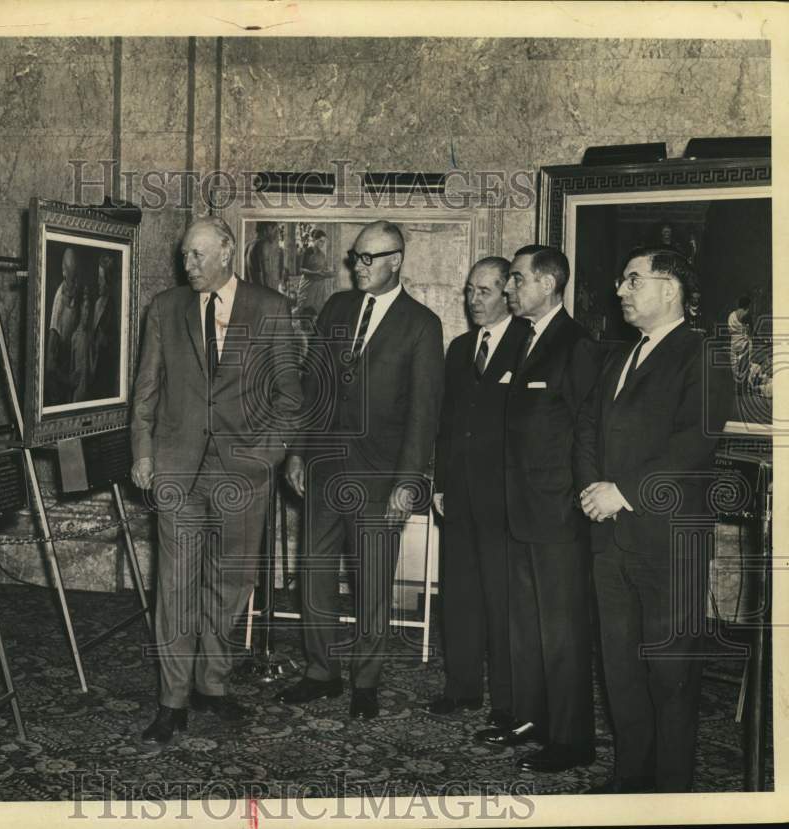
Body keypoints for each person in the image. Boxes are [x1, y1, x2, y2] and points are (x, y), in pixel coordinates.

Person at [130, 216, 302, 744]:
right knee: (175, 588)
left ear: (228, 252)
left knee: (228, 587)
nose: (189, 266)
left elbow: (290, 398)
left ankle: (213, 685)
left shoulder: (270, 309)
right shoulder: (164, 309)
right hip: (176, 471)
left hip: (243, 475)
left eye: (199, 256)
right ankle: (172, 700)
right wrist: (143, 453)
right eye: (185, 256)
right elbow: (146, 392)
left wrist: (265, 458)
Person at [577, 249, 730, 793]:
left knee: (670, 675)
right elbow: (588, 430)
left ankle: (670, 791)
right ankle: (630, 779)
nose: (621, 289)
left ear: (671, 291)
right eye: (621, 280)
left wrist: (625, 492)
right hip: (611, 538)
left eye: (634, 280)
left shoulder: (704, 354)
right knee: (619, 667)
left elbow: (693, 442)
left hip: (670, 541)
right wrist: (594, 489)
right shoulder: (619, 358)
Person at [279, 221, 444, 720]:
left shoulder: (421, 324)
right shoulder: (336, 308)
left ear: (397, 260)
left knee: (373, 583)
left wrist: (407, 484)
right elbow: (315, 389)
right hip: (325, 467)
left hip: (380, 478)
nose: (358, 266)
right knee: (314, 573)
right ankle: (320, 672)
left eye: (369, 258)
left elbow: (423, 414)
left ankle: (366, 682)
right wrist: (297, 452)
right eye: (355, 257)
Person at [474, 244, 603, 773]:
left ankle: (572, 740)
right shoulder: (528, 339)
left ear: (548, 285)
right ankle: (531, 718)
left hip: (555, 514)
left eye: (517, 280)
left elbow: (586, 433)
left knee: (562, 632)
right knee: (525, 625)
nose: (509, 289)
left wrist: (577, 502)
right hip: (519, 509)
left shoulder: (576, 345)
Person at [426, 256, 530, 729]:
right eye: (469, 290)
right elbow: (447, 424)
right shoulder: (460, 348)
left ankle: (507, 701)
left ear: (508, 292)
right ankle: (461, 688)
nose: (473, 300)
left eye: (484, 291)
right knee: (460, 594)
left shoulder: (527, 344)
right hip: (460, 496)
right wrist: (441, 484)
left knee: (502, 599)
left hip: (505, 498)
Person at [45, 247, 81, 406]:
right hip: (59, 386)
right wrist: (69, 381)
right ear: (63, 272)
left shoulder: (75, 291)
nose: (74, 288)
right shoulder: (58, 306)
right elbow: (50, 366)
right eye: (71, 281)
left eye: (76, 279)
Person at [89, 253, 120, 400]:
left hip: (103, 369)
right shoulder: (96, 304)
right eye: (97, 278)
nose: (98, 282)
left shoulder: (111, 306)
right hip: (92, 365)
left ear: (108, 281)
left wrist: (105, 340)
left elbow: (114, 342)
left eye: (101, 279)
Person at [70, 287, 93, 403]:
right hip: (77, 393)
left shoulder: (89, 336)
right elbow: (71, 368)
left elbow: (92, 368)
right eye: (85, 308)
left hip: (88, 392)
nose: (87, 312)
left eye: (89, 309)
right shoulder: (74, 337)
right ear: (80, 309)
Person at [245, 222, 282, 292]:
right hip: (261, 297)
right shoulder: (264, 245)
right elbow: (266, 277)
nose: (276, 234)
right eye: (275, 230)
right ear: (268, 228)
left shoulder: (248, 245)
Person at [728, 294, 752, 383]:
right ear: (747, 305)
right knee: (744, 364)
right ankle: (742, 386)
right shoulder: (746, 314)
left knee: (735, 363)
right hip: (743, 342)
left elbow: (730, 330)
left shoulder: (731, 315)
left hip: (734, 342)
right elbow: (751, 329)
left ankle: (736, 383)